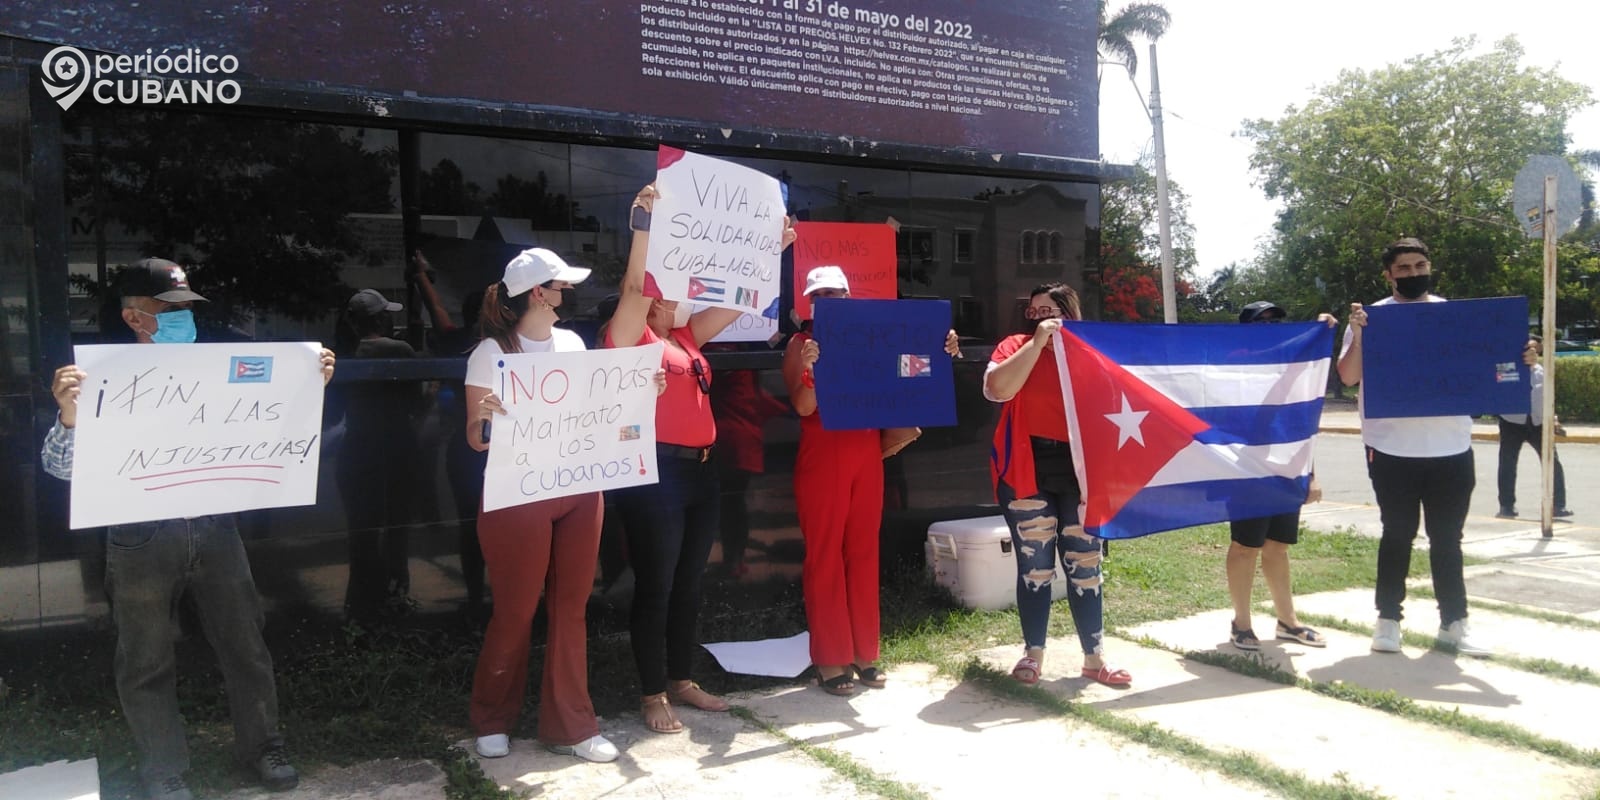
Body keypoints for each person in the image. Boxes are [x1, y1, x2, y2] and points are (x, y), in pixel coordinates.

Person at [42, 258, 336, 800]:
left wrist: (307, 381)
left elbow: (275, 424)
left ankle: (262, 746)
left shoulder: (217, 368)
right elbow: (59, 468)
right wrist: (67, 417)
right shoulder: (96, 379)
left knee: (245, 644)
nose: (186, 318)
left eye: (186, 308)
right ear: (135, 318)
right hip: (139, 535)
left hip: (215, 525)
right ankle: (163, 768)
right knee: (146, 657)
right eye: (170, 309)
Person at [606, 183, 795, 733]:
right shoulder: (630, 336)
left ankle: (680, 679)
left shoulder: (688, 337)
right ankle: (649, 693)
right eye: (659, 291)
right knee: (658, 584)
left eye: (671, 291)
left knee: (690, 581)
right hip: (658, 473)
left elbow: (739, 301)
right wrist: (643, 225)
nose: (665, 296)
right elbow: (635, 284)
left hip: (703, 470)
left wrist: (770, 253)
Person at [463, 248, 620, 764]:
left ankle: (572, 726)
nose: (567, 294)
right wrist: (486, 418)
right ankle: (491, 718)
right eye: (562, 286)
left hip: (577, 485)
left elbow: (599, 411)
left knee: (571, 608)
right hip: (518, 493)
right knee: (515, 609)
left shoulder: (573, 343)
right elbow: (476, 439)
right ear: (538, 293)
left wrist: (641, 392)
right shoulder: (491, 352)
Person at [782, 266, 961, 695]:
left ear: (848, 296)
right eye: (819, 293)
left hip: (865, 452)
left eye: (835, 292)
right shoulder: (800, 344)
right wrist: (810, 370)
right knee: (825, 554)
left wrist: (942, 349)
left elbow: (908, 368)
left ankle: (865, 653)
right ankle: (830, 660)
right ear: (810, 301)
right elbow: (804, 408)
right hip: (822, 452)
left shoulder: (870, 335)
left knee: (863, 552)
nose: (828, 299)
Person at [1337, 237, 1488, 656]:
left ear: (1430, 267)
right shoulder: (1370, 318)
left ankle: (1454, 624)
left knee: (1447, 540)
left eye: (1419, 264)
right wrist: (1361, 335)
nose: (1413, 273)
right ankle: (1388, 621)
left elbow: (1482, 368)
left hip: (1452, 447)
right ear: (1388, 275)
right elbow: (1348, 376)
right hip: (1391, 449)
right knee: (1397, 535)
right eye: (1403, 268)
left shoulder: (1452, 316)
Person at [983, 282, 1130, 687]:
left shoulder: (1091, 352)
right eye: (1033, 313)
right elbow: (998, 389)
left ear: (1069, 312)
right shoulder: (1015, 345)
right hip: (1026, 469)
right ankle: (1033, 654)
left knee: (1086, 563)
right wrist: (1037, 343)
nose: (1039, 319)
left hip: (1081, 471)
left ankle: (1094, 658)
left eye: (1047, 311)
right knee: (1035, 564)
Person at [1225, 301, 1330, 651]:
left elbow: (1304, 424)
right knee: (1245, 547)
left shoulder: (1294, 368)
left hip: (1286, 468)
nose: (1269, 327)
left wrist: (1310, 475)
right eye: (1260, 322)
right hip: (1246, 471)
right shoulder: (1232, 368)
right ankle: (1241, 623)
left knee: (1278, 546)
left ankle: (1288, 621)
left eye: (1276, 321)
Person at [336, 288, 422, 621]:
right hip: (397, 451)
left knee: (361, 536)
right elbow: (416, 401)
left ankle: (358, 610)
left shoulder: (342, 352)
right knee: (396, 533)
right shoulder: (398, 350)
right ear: (381, 318)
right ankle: (395, 602)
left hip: (354, 452)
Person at [1495, 337, 1572, 519]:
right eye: (1528, 347)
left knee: (1552, 463)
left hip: (1538, 422)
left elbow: (1547, 397)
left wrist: (1554, 419)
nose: (1531, 351)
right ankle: (1506, 506)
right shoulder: (1506, 367)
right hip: (1512, 421)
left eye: (1534, 348)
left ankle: (1558, 505)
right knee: (1508, 464)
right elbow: (1497, 390)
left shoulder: (1541, 372)